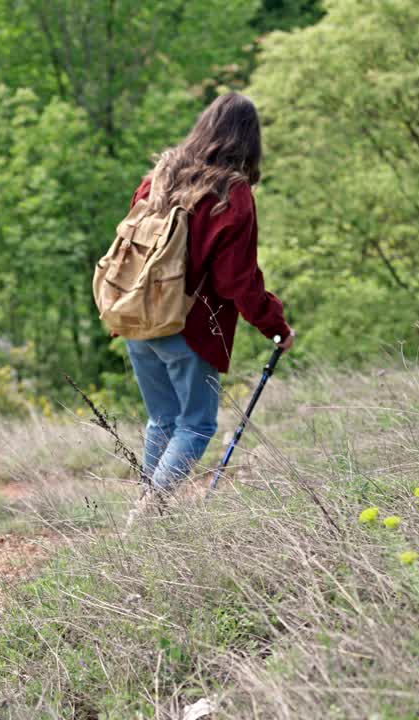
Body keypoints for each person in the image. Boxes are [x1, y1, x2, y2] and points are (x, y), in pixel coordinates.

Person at [127, 92, 293, 499]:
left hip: (138, 316)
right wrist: (275, 327)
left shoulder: (158, 178)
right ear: (249, 141)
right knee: (196, 425)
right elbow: (237, 280)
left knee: (162, 420)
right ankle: (150, 513)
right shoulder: (230, 194)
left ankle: (148, 512)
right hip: (191, 326)